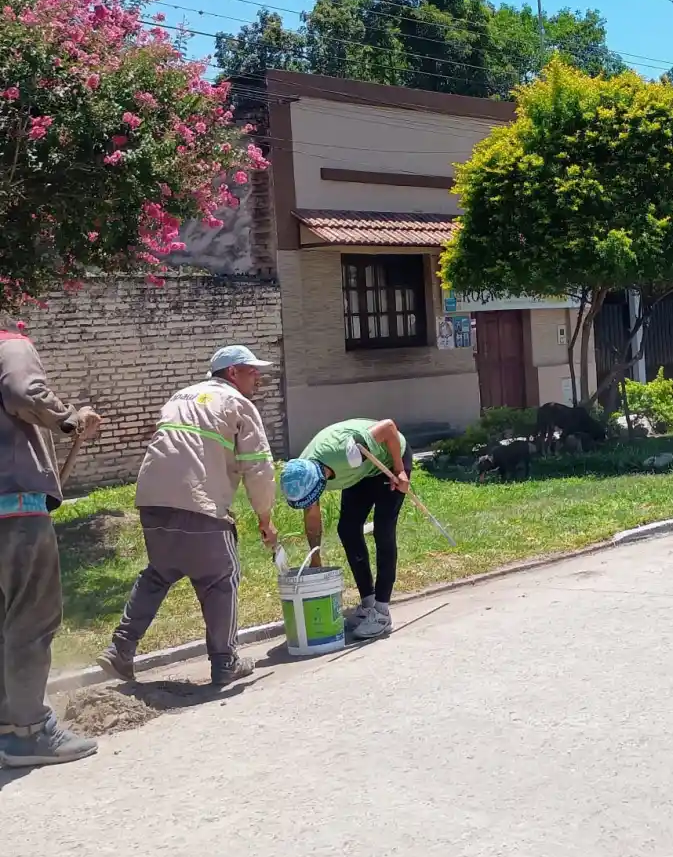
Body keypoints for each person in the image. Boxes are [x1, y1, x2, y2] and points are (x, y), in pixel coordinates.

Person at [98, 346, 279, 686]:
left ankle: (120, 650)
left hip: (152, 502)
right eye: (250, 370)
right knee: (220, 579)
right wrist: (265, 519)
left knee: (159, 573)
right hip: (201, 505)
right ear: (231, 374)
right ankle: (225, 661)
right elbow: (258, 466)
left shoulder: (179, 397)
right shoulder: (239, 404)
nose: (257, 376)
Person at [0, 317, 104, 768]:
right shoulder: (9, 344)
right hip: (13, 509)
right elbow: (24, 392)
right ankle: (28, 732)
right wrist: (69, 419)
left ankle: (7, 727)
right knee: (30, 618)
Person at [280, 417, 412, 641]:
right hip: (360, 472)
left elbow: (389, 427)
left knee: (383, 530)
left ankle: (381, 612)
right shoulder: (300, 472)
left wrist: (400, 471)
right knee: (348, 529)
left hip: (388, 461)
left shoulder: (346, 453)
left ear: (320, 481)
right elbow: (311, 514)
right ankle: (368, 603)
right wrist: (316, 557)